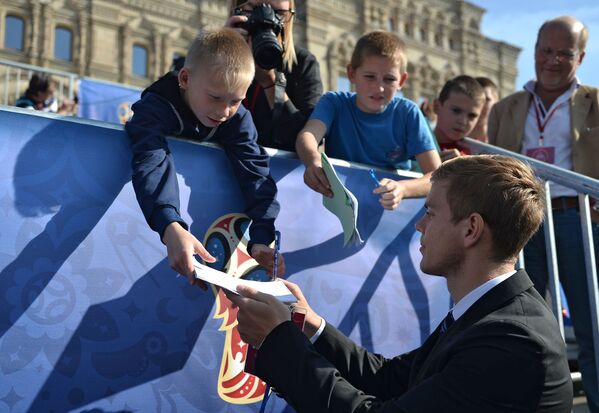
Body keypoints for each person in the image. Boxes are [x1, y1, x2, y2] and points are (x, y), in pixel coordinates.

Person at [228, 155, 573, 412]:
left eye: (431, 213)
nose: (419, 226)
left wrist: (278, 340)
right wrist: (309, 325)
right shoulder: (489, 312)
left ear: (471, 229)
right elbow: (391, 379)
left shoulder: (512, 339)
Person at [488, 15, 599, 411]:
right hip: (521, 224)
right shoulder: (504, 109)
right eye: (546, 51)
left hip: (579, 222)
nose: (552, 60)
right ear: (535, 52)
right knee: (528, 324)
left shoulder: (595, 102)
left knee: (594, 325)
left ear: (580, 56)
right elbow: (490, 164)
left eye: (564, 53)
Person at [125, 28, 284, 287]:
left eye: (235, 100)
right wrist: (170, 226)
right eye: (215, 97)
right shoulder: (153, 107)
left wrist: (262, 238)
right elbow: (151, 160)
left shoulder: (239, 117)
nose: (224, 111)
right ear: (185, 79)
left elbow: (256, 174)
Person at [295, 31, 441, 210]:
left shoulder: (408, 113)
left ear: (401, 80)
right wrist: (313, 160)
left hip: (388, 216)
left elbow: (437, 177)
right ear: (351, 73)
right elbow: (308, 135)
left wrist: (403, 189)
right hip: (339, 211)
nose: (379, 87)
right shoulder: (334, 103)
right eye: (370, 76)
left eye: (389, 79)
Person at [224, 0, 323, 151]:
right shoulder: (213, 52)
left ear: (290, 16)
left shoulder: (302, 63)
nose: (267, 18)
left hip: (278, 171)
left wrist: (270, 81)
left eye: (279, 13)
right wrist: (219, 52)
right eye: (255, 9)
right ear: (236, 9)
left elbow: (311, 139)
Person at [433, 75, 485, 161]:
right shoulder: (411, 142)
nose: (463, 121)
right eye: (456, 111)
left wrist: (462, 168)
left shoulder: (479, 157)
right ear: (437, 107)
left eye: (471, 116)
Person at [469, 76, 498, 142]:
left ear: (496, 103)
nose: (480, 105)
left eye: (486, 100)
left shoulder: (503, 143)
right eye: (476, 99)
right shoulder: (453, 139)